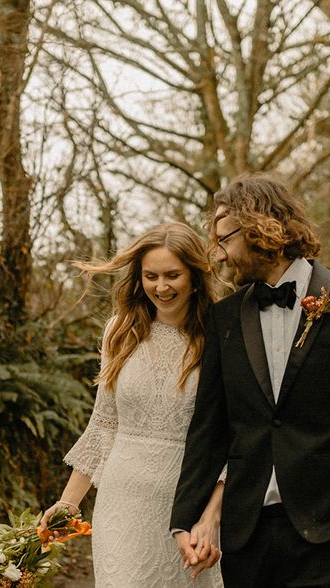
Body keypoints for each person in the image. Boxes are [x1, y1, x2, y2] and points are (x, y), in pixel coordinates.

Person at [171, 174, 330, 588]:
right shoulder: (224, 318)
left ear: (261, 226)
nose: (218, 256)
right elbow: (209, 427)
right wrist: (185, 519)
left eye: (224, 240)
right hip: (246, 535)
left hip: (326, 533)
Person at [40, 223, 224, 587]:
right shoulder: (119, 331)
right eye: (151, 276)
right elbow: (104, 424)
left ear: (195, 276)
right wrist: (68, 504)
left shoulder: (218, 338)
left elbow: (229, 434)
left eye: (173, 275)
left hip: (186, 505)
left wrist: (212, 516)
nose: (161, 287)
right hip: (121, 503)